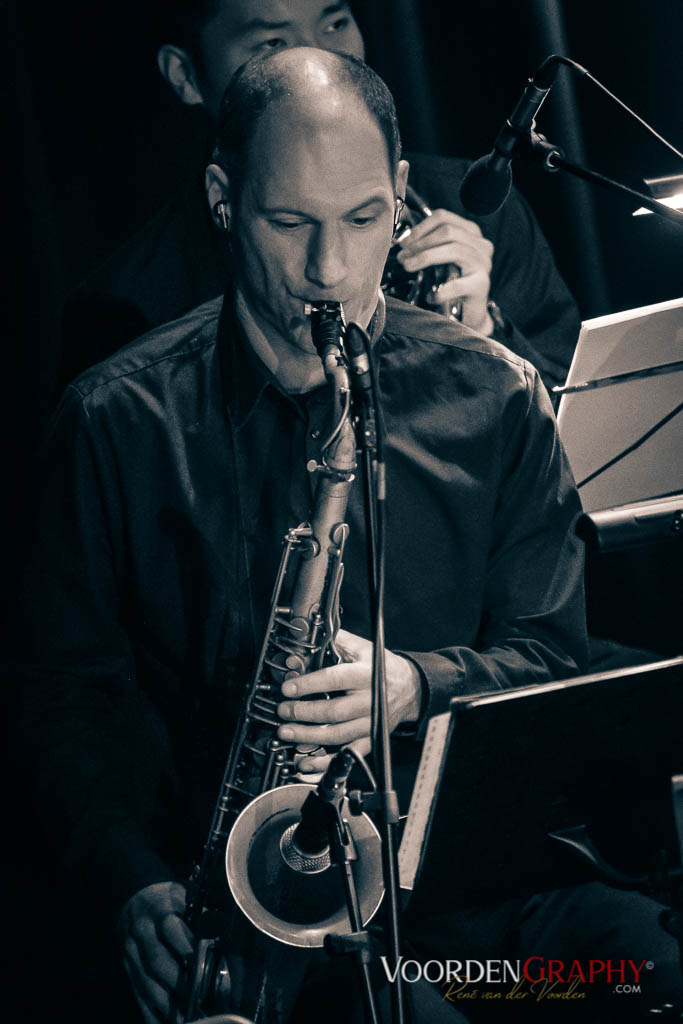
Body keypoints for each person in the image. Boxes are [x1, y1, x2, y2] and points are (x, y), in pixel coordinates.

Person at [10, 49, 678, 1024]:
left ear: (401, 195)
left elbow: (550, 654)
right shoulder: (116, 419)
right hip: (289, 940)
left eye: (363, 219)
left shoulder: (495, 389)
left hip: (493, 917)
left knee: (647, 977)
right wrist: (132, 881)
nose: (329, 270)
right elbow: (60, 691)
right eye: (289, 223)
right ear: (221, 198)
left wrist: (413, 686)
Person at [60, 0, 580, 396]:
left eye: (334, 23)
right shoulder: (130, 306)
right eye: (270, 43)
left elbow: (587, 446)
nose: (320, 60)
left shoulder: (475, 202)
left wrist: (488, 334)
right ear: (185, 75)